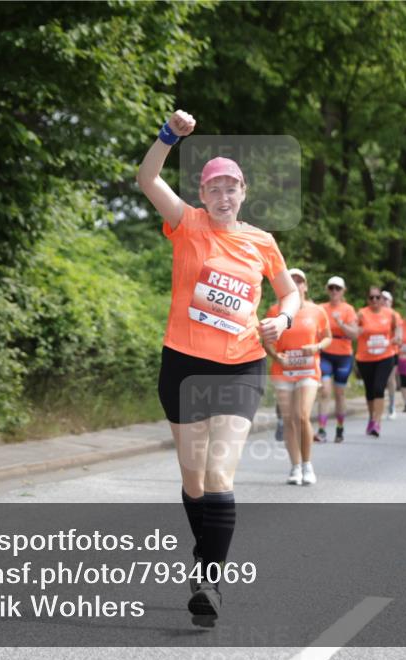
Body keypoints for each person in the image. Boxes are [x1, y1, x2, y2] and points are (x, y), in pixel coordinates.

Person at [137, 109, 300, 626]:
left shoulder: (262, 242)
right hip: (183, 365)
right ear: (203, 195)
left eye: (231, 188)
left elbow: (289, 291)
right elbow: (146, 179)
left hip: (239, 366)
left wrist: (284, 318)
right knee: (193, 481)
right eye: (214, 188)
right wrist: (170, 135)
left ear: (244, 192)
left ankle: (209, 578)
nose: (223, 196)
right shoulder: (187, 224)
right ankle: (204, 555)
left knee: (219, 472)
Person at [264, 269, 331, 485]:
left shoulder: (317, 311)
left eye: (299, 281)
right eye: (291, 280)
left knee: (302, 415)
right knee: (288, 419)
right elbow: (266, 341)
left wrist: (317, 346)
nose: (296, 284)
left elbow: (328, 337)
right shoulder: (275, 310)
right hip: (283, 370)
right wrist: (277, 355)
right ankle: (294, 467)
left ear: (305, 286)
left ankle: (307, 465)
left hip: (309, 370)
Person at [355, 286, 403, 437]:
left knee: (378, 388)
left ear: (382, 299)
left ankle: (377, 422)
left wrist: (398, 337)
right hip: (365, 358)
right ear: (368, 299)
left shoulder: (390, 314)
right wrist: (356, 331)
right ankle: (371, 417)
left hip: (385, 356)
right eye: (371, 297)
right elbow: (354, 330)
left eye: (378, 297)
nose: (375, 300)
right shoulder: (362, 313)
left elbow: (398, 329)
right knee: (369, 390)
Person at [317, 276, 358, 443]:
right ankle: (321, 430)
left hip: (343, 355)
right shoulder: (320, 308)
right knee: (325, 391)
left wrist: (341, 324)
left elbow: (354, 334)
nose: (334, 291)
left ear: (343, 291)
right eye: (332, 288)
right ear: (327, 289)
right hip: (325, 353)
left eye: (338, 288)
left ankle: (340, 428)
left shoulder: (348, 309)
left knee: (339, 393)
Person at [382, 291, 399, 420]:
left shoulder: (394, 315)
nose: (383, 301)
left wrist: (391, 341)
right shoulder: (372, 314)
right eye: (381, 298)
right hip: (374, 353)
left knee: (390, 379)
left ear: (391, 302)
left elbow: (399, 335)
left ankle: (392, 406)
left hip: (391, 351)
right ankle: (378, 407)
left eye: (386, 299)